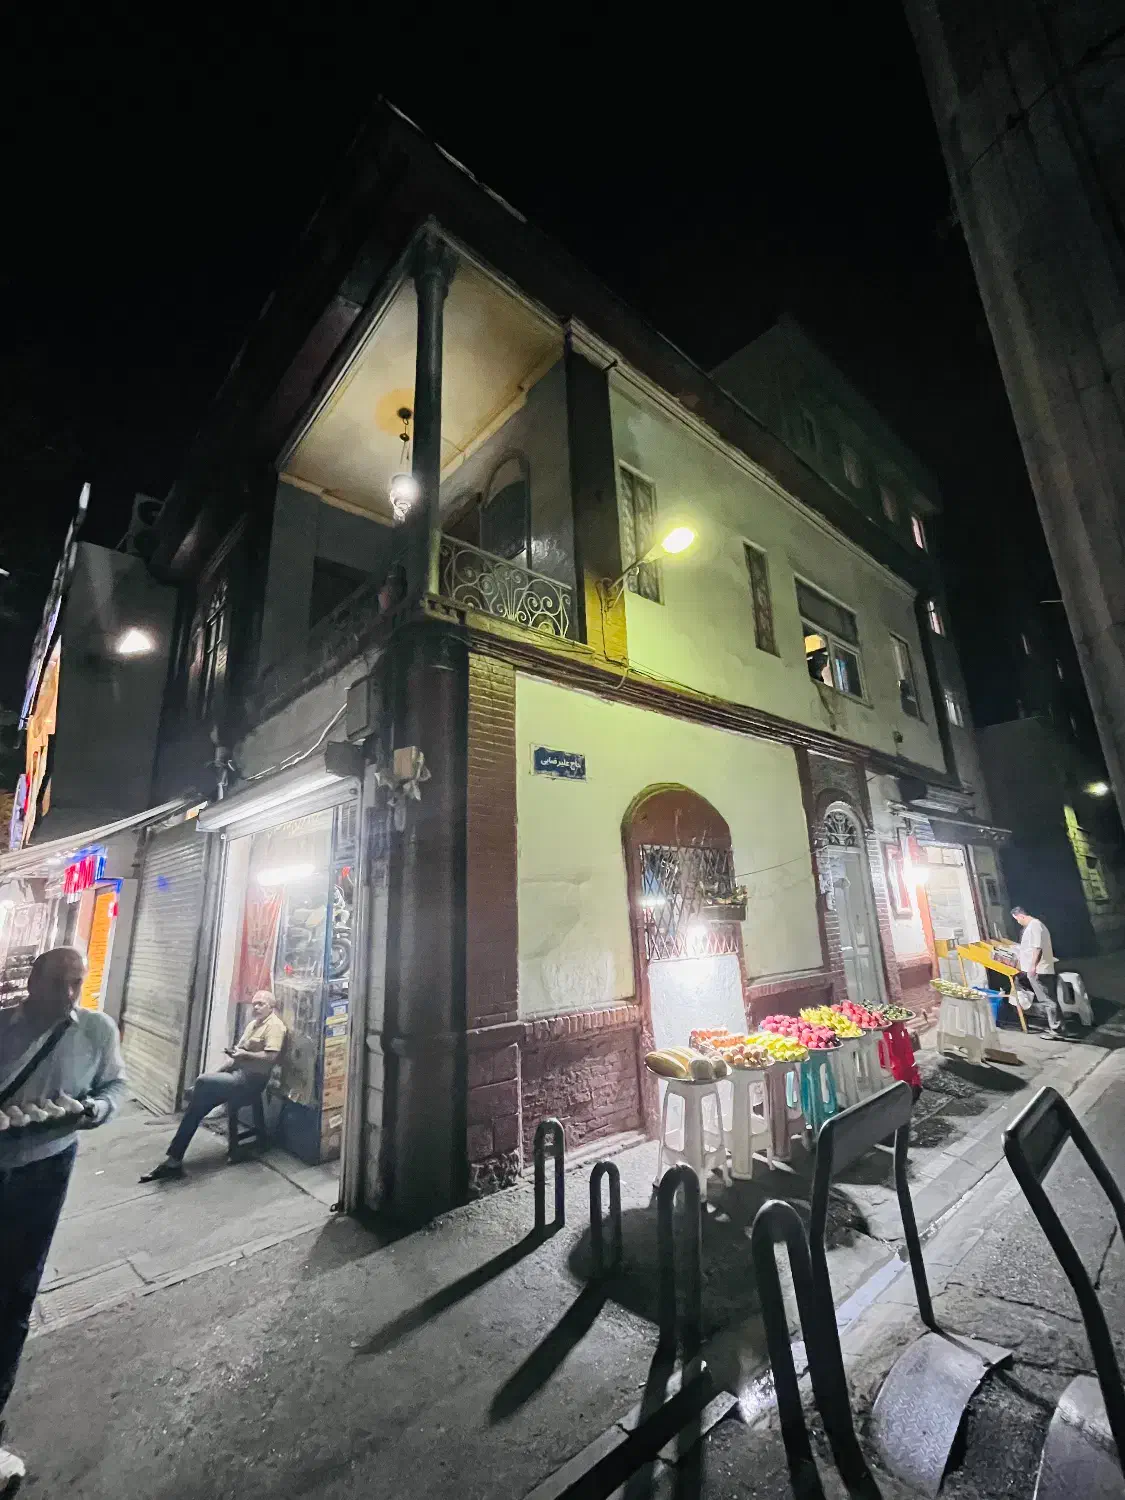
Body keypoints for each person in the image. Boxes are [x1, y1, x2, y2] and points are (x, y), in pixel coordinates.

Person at [0, 947, 126, 1489]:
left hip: (45, 1170)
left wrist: (96, 1110)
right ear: (33, 981)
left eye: (76, 982)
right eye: (57, 982)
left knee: (15, 1292)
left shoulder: (97, 1031)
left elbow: (115, 1086)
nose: (68, 993)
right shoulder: (3, 1026)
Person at [141, 991, 286, 1182]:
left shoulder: (275, 1026)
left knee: (202, 1082)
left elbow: (271, 1056)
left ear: (271, 1007)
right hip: (235, 1076)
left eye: (261, 1004)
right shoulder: (252, 1025)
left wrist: (244, 1055)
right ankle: (173, 1161)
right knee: (195, 1109)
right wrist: (218, 1074)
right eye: (254, 1004)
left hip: (252, 1081)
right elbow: (235, 1057)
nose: (256, 1007)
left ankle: (195, 1090)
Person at [1011, 905, 1062, 1034]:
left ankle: (1056, 1029)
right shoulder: (1034, 926)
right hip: (1039, 968)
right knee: (1049, 999)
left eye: (1017, 919)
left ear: (1021, 916)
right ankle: (1058, 1027)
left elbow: (1037, 948)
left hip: (1039, 969)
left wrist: (1033, 966)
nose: (1018, 922)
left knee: (1047, 1000)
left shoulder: (1035, 926)